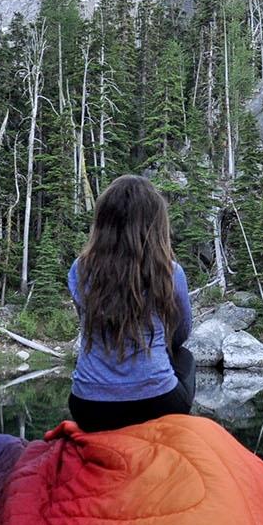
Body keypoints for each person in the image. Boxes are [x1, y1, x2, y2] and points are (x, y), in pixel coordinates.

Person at [66, 175, 195, 432]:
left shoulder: (80, 269)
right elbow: (181, 333)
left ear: (103, 222)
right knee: (185, 357)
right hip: (157, 403)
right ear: (155, 224)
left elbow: (87, 324)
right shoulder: (170, 272)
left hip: (88, 406)